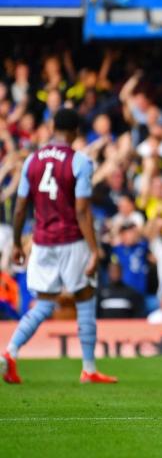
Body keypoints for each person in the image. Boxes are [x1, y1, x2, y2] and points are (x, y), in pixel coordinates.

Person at [2, 108, 117, 384]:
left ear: (53, 127)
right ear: (76, 132)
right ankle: (89, 368)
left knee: (43, 304)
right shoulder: (80, 162)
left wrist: (18, 243)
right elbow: (81, 211)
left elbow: (19, 209)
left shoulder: (31, 160)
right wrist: (93, 249)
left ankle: (10, 351)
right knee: (85, 298)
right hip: (71, 241)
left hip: (41, 242)